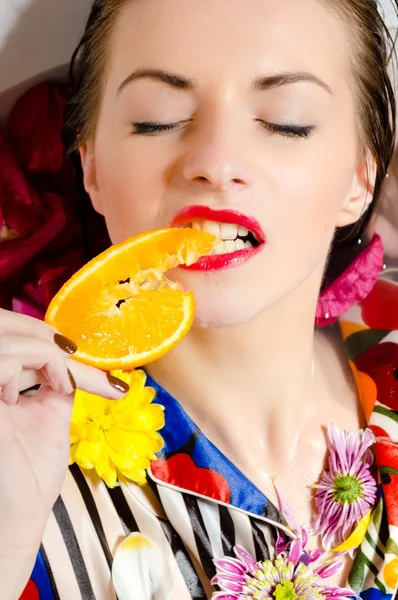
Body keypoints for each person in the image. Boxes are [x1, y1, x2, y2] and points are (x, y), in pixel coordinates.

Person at [1, 0, 398, 598]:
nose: (216, 163)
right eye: (156, 120)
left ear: (361, 178)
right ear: (92, 169)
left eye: (287, 122)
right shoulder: (22, 470)